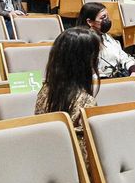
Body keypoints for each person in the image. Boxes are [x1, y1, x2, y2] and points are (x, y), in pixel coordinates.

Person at [34, 27, 100, 162]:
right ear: (84, 62)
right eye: (95, 56)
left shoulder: (44, 91)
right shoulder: (87, 103)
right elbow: (88, 161)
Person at [75, 2, 135, 78]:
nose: (107, 20)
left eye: (107, 17)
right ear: (90, 22)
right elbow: (91, 72)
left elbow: (124, 57)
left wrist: (134, 72)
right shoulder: (83, 42)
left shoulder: (107, 37)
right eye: (102, 18)